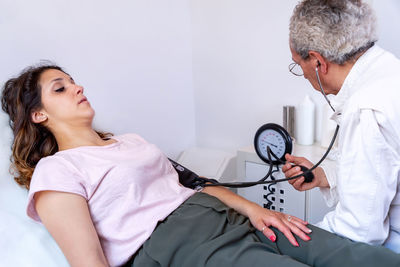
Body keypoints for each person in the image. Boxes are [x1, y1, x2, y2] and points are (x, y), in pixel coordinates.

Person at [2, 64, 400, 267]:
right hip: (180, 245)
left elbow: (192, 185)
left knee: (349, 255)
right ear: (37, 115)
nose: (78, 87)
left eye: (73, 80)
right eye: (60, 87)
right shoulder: (56, 170)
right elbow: (88, 261)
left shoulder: (129, 142)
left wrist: (257, 210)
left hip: (225, 215)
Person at [283, 0, 400, 253]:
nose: (301, 73)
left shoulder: (366, 108)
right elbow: (385, 169)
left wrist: (288, 243)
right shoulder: (388, 68)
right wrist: (325, 175)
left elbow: (359, 230)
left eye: (297, 63)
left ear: (317, 62)